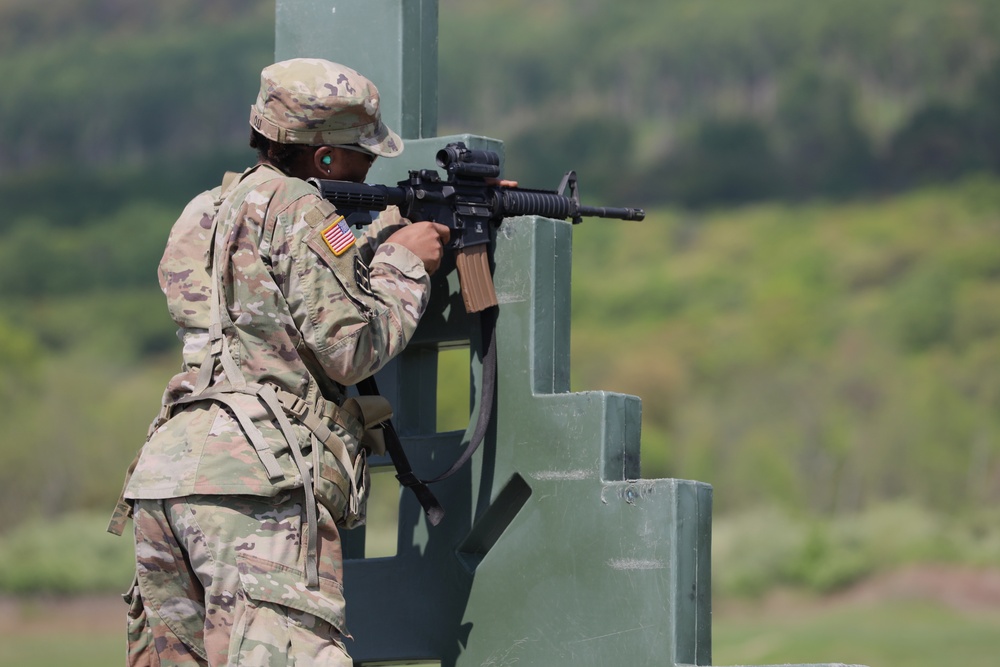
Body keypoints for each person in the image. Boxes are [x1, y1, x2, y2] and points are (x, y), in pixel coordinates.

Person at [108, 58, 450, 666]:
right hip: (256, 483)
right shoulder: (301, 208)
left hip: (170, 473)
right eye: (361, 154)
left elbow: (267, 305)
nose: (371, 167)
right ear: (322, 158)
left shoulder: (207, 209)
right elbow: (351, 349)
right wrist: (402, 266)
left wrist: (369, 247)